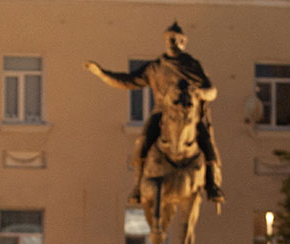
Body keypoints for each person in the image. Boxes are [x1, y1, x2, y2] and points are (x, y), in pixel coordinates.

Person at [84, 21, 224, 203]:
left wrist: (200, 93)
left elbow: (212, 90)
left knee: (206, 141)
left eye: (176, 39)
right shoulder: (155, 68)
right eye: (169, 38)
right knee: (143, 141)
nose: (172, 42)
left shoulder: (192, 66)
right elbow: (128, 81)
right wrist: (103, 74)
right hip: (162, 115)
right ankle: (138, 185)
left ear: (183, 41)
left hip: (190, 115)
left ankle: (212, 184)